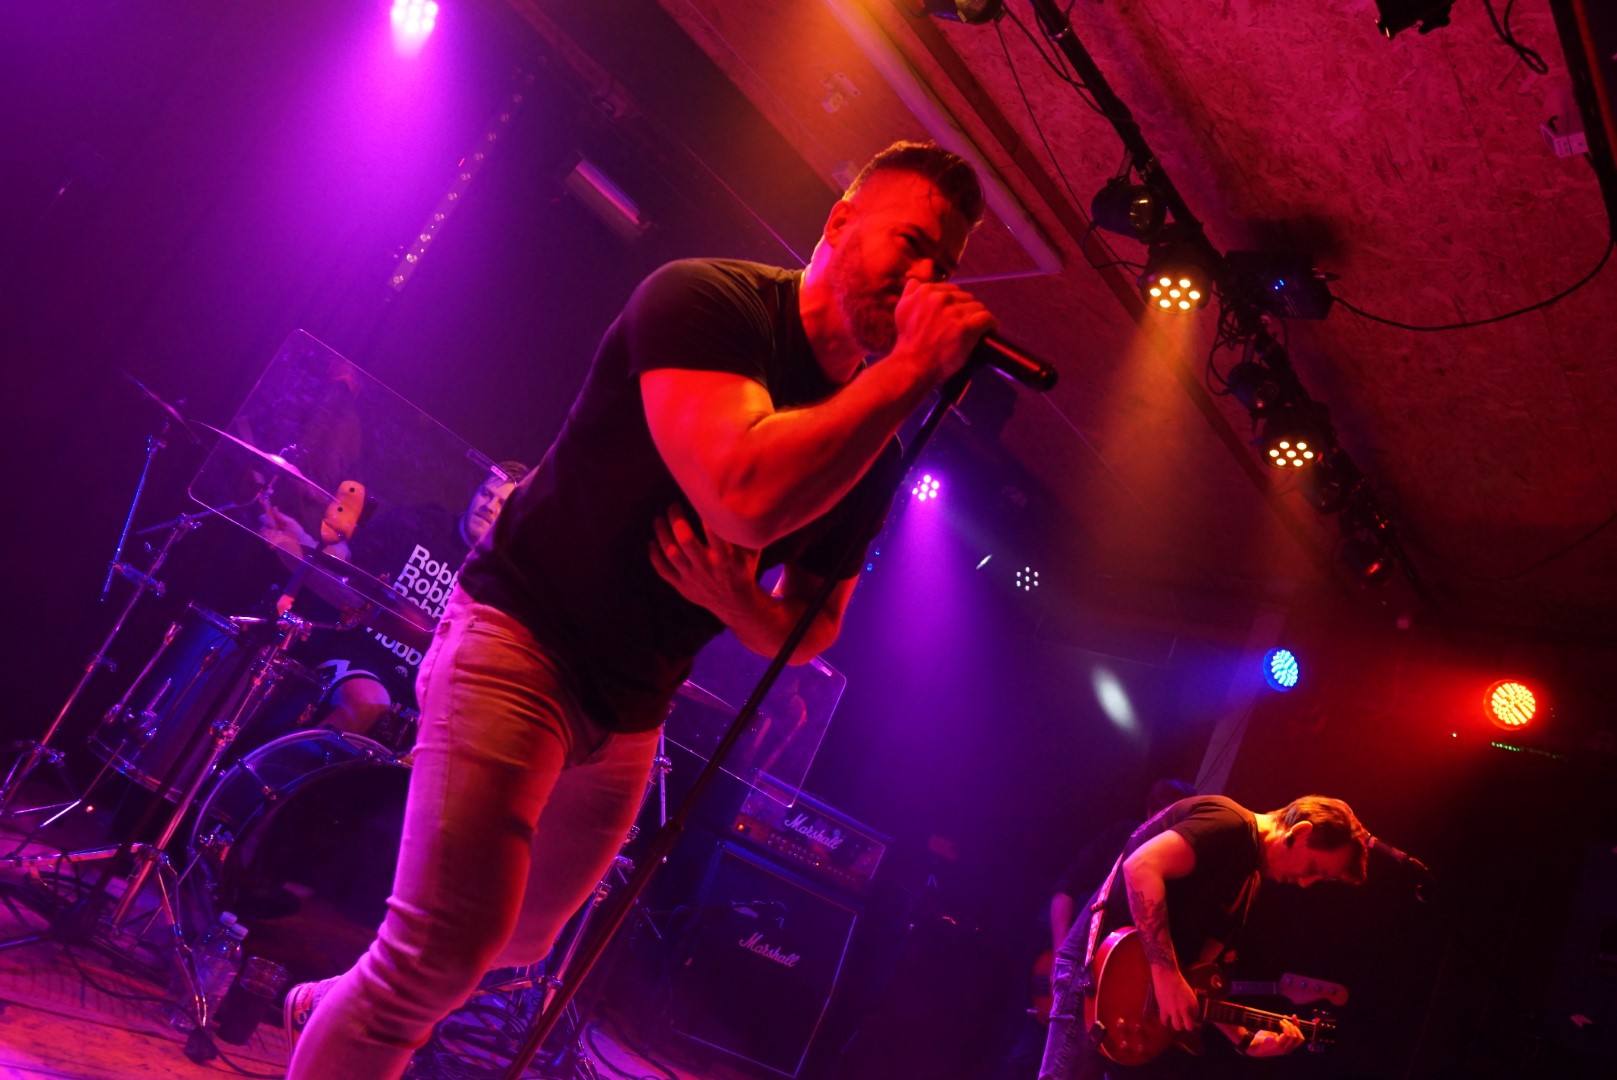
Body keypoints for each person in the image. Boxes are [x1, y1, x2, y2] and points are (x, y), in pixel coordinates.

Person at [283, 139, 995, 1078]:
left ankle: (340, 1000)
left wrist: (739, 604)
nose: (924, 278)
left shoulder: (870, 445)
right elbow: (740, 494)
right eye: (911, 243)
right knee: (439, 952)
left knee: (520, 941)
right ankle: (371, 1004)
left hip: (629, 710)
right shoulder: (708, 303)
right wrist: (906, 372)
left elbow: (815, 624)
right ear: (839, 224)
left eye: (944, 265)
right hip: (523, 637)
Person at [1038, 794, 1371, 1079]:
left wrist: (1248, 1041)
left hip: (1133, 1000)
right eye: (1314, 868)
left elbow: (1201, 977)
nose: (1306, 883)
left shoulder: (1248, 882)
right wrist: (1166, 975)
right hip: (1098, 973)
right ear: (1300, 832)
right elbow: (1141, 867)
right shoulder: (1228, 824)